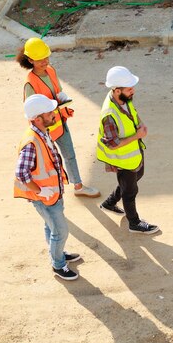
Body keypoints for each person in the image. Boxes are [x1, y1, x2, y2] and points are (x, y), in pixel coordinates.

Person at [16, 37, 100, 198]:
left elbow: (57, 90)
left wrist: (62, 98)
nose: (45, 62)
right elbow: (33, 112)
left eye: (46, 57)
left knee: (69, 154)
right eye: (40, 59)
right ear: (31, 60)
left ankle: (78, 186)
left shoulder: (51, 70)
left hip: (59, 122)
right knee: (45, 163)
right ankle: (44, 192)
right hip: (44, 130)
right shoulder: (30, 84)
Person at [15, 94, 81, 281]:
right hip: (45, 197)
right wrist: (39, 191)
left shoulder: (41, 132)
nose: (54, 114)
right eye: (49, 112)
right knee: (61, 232)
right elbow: (21, 173)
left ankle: (56, 253)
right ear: (37, 118)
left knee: (50, 226)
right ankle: (58, 264)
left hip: (51, 194)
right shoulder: (31, 142)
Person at [97, 66, 160, 235]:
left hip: (133, 154)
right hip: (122, 158)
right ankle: (134, 223)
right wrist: (137, 135)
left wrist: (140, 123)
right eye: (129, 88)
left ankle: (109, 203)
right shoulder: (109, 115)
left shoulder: (123, 98)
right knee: (130, 191)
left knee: (136, 178)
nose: (133, 91)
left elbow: (132, 111)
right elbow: (112, 143)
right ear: (117, 90)